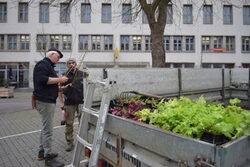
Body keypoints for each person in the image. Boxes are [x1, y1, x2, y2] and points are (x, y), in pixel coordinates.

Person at [33, 48, 68, 167]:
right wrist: (60, 79)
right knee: (48, 130)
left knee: (45, 128)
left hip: (46, 100)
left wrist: (59, 88)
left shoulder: (47, 65)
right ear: (52, 55)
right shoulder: (43, 65)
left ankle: (42, 152)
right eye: (58, 57)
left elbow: (46, 84)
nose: (58, 60)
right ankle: (48, 159)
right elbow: (43, 80)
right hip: (45, 101)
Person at [59, 58, 84, 152]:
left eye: (73, 63)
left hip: (81, 101)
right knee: (69, 123)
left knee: (83, 122)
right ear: (67, 65)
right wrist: (61, 102)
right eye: (69, 63)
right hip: (69, 102)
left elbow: (88, 85)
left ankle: (83, 140)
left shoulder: (82, 74)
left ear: (76, 64)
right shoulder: (64, 76)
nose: (71, 64)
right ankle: (70, 142)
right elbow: (59, 90)